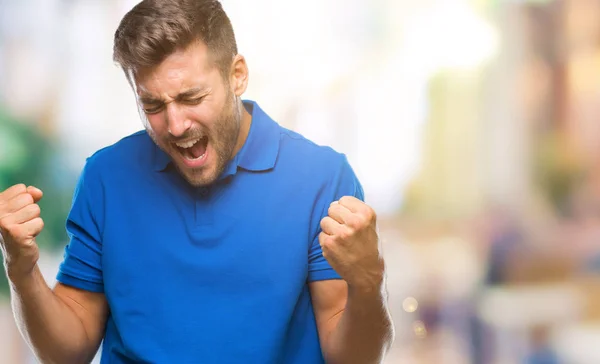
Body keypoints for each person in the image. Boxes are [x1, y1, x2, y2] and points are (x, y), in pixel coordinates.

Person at [0, 0, 394, 363]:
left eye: (191, 97)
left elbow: (352, 359)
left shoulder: (321, 178)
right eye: (152, 105)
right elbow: (68, 350)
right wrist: (22, 271)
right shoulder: (106, 176)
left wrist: (367, 281)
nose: (175, 125)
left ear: (237, 75)